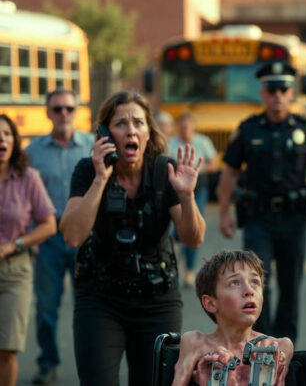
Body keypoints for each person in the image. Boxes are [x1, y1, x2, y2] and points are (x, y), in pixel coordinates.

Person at [59, 90, 206, 385]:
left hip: (157, 300)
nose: (131, 130)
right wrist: (101, 179)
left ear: (149, 132)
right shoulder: (88, 170)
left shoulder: (165, 170)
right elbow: (73, 236)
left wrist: (187, 197)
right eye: (120, 123)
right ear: (104, 134)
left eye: (138, 123)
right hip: (100, 298)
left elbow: (193, 239)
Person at [217, 61, 306, 343]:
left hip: (294, 219)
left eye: (283, 89)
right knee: (257, 283)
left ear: (292, 93)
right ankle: (261, 344)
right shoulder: (248, 129)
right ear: (263, 93)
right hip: (258, 218)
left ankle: (285, 347)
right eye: (272, 89)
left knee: (290, 285)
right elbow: (230, 172)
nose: (277, 95)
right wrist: (223, 213)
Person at [24, 88, 94, 385]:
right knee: (46, 307)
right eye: (57, 109)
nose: (63, 113)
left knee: (89, 306)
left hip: (87, 237)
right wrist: (30, 236)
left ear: (76, 112)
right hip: (48, 236)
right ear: (47, 113)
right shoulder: (32, 151)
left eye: (69, 108)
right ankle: (48, 363)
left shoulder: (93, 146)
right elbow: (24, 195)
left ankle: (91, 365)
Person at [173, 250, 293, 386]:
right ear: (211, 303)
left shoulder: (278, 346)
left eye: (255, 282)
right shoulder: (196, 343)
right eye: (234, 283)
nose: (249, 291)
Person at [0, 114, 57, 386]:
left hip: (15, 270)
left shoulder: (29, 178)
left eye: (6, 134)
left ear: (14, 141)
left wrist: (15, 244)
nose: (1, 139)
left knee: (7, 349)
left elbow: (49, 225)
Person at [167, 112, 218, 288]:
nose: (185, 129)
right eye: (182, 126)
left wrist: (195, 171)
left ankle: (189, 270)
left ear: (193, 127)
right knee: (177, 224)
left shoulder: (203, 142)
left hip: (199, 187)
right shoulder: (171, 143)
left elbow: (214, 163)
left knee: (193, 223)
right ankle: (174, 248)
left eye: (188, 126)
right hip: (175, 188)